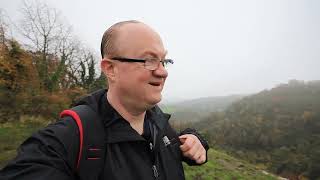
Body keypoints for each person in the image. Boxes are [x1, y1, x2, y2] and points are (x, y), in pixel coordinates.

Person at [0, 20, 209, 180]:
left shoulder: (158, 122)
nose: (163, 72)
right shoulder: (68, 138)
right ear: (111, 69)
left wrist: (196, 140)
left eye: (164, 60)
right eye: (149, 60)